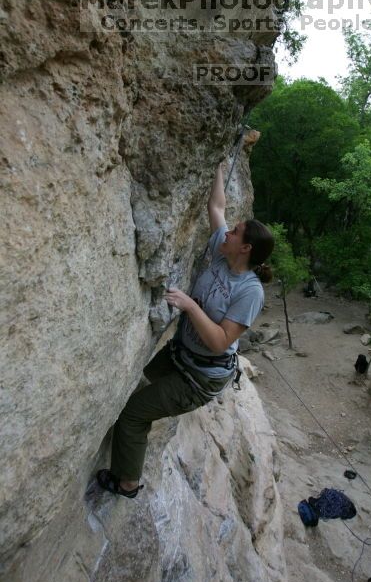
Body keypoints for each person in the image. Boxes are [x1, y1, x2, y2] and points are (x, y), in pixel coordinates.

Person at [97, 163, 274, 497]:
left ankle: (127, 483)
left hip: (200, 378)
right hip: (181, 354)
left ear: (246, 248)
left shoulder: (250, 291)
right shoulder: (224, 254)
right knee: (135, 380)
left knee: (133, 414)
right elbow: (217, 206)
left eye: (235, 232)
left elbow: (221, 341)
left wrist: (190, 306)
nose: (228, 232)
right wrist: (220, 164)